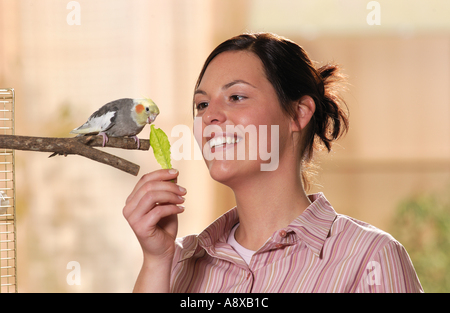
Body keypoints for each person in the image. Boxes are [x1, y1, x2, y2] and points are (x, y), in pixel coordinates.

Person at [123, 32, 423, 293]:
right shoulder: (177, 264)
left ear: (298, 113)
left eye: (236, 97)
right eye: (202, 104)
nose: (209, 116)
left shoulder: (369, 258)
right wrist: (157, 260)